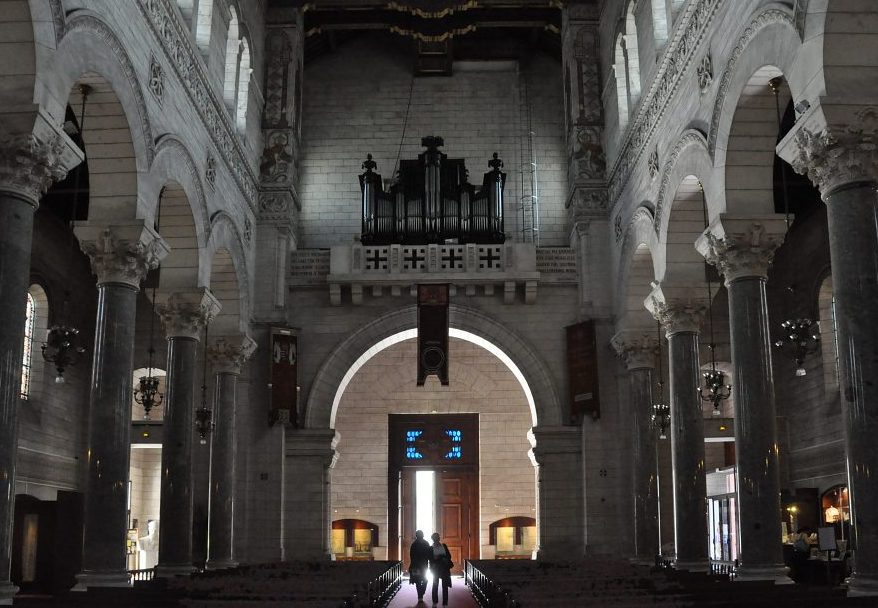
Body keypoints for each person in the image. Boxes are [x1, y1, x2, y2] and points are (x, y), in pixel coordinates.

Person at [428, 532, 453, 608]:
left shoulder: (444, 546)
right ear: (433, 539)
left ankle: (445, 603)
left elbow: (449, 556)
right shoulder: (430, 548)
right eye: (436, 537)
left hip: (444, 568)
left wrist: (441, 557)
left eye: (438, 537)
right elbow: (430, 559)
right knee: (435, 585)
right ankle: (434, 602)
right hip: (436, 569)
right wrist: (439, 558)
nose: (437, 538)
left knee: (444, 586)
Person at [409, 530, 431, 604]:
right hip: (416, 566)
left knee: (425, 579)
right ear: (417, 535)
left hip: (423, 565)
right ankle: (420, 597)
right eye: (419, 534)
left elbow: (429, 554)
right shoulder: (414, 544)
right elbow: (412, 556)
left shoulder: (426, 543)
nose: (420, 536)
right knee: (418, 581)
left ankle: (421, 592)